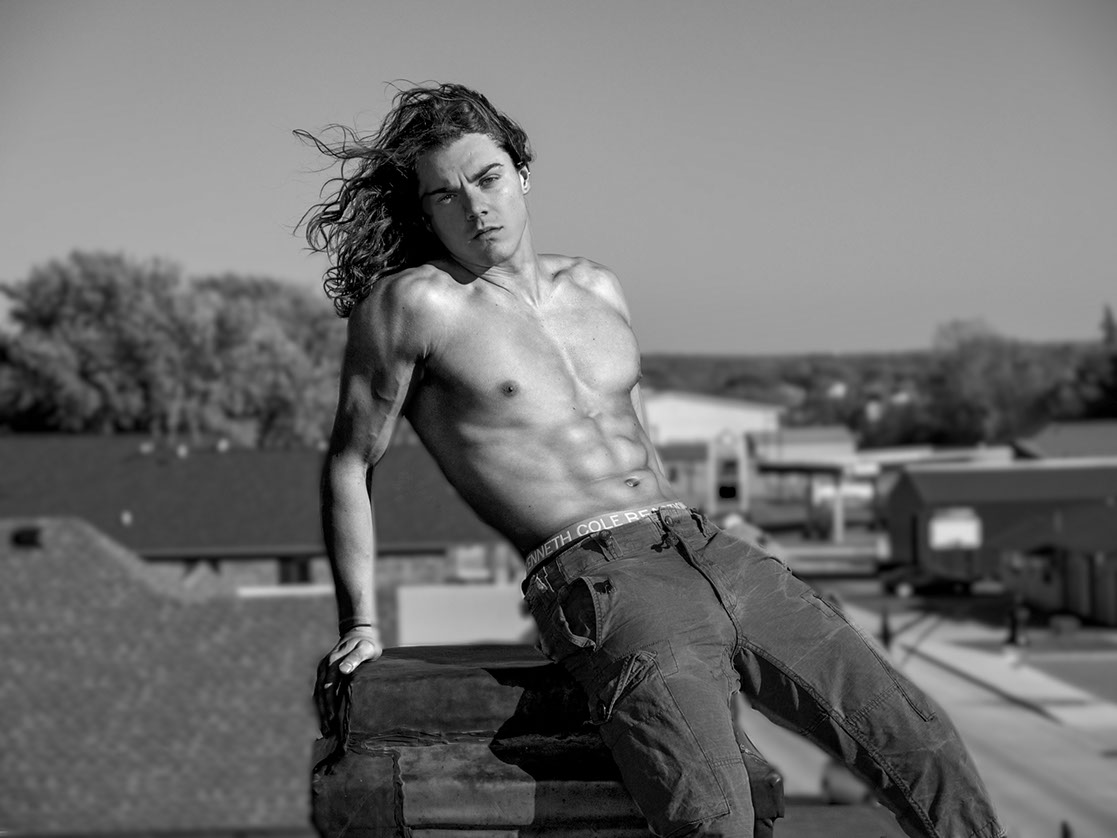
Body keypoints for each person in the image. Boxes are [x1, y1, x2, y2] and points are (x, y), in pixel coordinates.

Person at [303, 83, 1005, 838]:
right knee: (713, 818)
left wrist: (705, 528)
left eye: (488, 177)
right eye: (446, 194)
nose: (475, 207)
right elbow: (350, 461)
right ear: (425, 212)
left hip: (706, 548)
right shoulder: (414, 305)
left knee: (920, 744)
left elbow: (631, 433)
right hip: (600, 578)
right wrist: (360, 621)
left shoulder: (596, 285)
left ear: (522, 174)